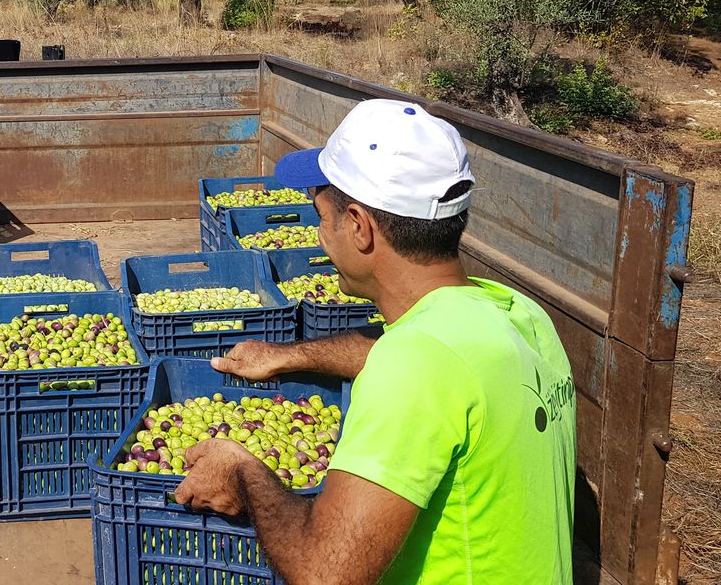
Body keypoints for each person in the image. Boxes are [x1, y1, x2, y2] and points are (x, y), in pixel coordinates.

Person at [174, 99, 577, 584]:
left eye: (322, 217)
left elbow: (325, 575)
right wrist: (291, 355)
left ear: (360, 227)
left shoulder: (413, 367)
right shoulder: (515, 315)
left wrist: (243, 472)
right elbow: (429, 366)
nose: (320, 235)